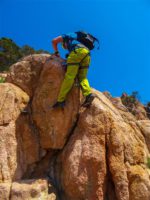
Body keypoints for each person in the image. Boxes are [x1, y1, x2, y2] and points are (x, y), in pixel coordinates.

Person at [52, 31, 97, 108]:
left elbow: (54, 41)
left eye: (64, 46)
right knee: (82, 77)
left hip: (77, 52)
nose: (66, 48)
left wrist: (56, 52)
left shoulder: (67, 36)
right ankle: (88, 94)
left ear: (64, 43)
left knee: (69, 77)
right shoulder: (77, 40)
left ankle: (60, 100)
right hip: (87, 54)